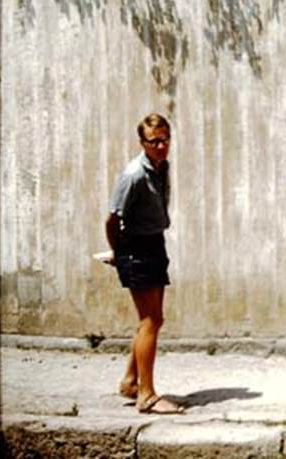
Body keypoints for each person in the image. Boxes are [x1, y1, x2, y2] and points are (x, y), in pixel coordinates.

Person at [103, 113, 183, 413]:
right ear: (142, 143)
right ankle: (147, 396)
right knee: (150, 320)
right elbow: (112, 219)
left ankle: (130, 380)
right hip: (135, 248)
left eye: (165, 140)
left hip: (154, 243)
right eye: (154, 141)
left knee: (152, 319)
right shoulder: (133, 174)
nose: (161, 146)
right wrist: (118, 252)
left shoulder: (162, 167)